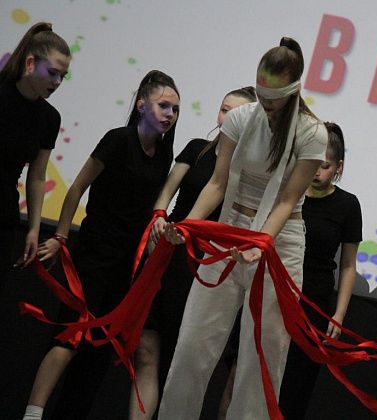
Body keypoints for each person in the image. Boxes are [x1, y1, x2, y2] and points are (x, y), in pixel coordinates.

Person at [158, 37, 327, 420]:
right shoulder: (240, 118)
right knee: (193, 343)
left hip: (280, 241)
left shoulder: (311, 133)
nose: (264, 104)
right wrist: (189, 226)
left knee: (263, 354)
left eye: (273, 98)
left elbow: (287, 200)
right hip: (230, 229)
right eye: (260, 94)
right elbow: (217, 183)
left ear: (293, 91)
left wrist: (261, 244)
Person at [23, 70, 180, 420]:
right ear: (141, 105)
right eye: (163, 106)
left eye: (175, 109)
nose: (170, 114)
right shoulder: (118, 140)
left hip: (126, 264)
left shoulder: (163, 153)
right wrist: (61, 237)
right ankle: (33, 413)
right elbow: (76, 188)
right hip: (94, 255)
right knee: (70, 336)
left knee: (100, 349)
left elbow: (151, 207)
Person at [128, 86, 256, 420]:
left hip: (205, 267)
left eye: (237, 114)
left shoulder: (249, 172)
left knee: (179, 359)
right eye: (224, 109)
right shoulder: (197, 149)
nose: (227, 118)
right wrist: (159, 217)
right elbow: (166, 192)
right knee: (146, 351)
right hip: (168, 252)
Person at [274, 121, 361, 418]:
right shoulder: (289, 194)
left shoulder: (347, 205)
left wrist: (339, 313)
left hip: (314, 300)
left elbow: (348, 265)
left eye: (324, 166)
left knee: (297, 381)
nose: (316, 172)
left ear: (338, 167)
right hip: (277, 289)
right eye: (312, 163)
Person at [0, 22, 71, 291]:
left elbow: (37, 176)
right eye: (52, 73)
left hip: (4, 212)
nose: (57, 82)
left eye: (63, 76)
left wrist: (33, 228)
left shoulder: (49, 118)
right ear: (30, 63)